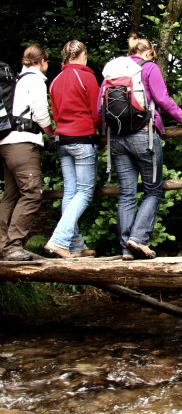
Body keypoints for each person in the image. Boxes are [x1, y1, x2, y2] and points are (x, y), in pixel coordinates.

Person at [102, 34, 182, 261]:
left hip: (116, 138)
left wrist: (104, 136)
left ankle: (126, 249)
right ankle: (138, 238)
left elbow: (101, 107)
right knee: (153, 191)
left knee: (126, 194)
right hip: (144, 135)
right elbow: (163, 99)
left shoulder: (113, 70)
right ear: (148, 52)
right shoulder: (149, 68)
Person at [44, 40, 101, 259]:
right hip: (82, 139)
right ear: (82, 55)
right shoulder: (86, 76)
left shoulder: (55, 81)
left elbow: (56, 114)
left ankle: (75, 245)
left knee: (70, 192)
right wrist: (100, 129)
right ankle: (58, 240)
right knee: (85, 192)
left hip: (63, 140)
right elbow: (95, 112)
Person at [0, 44, 54, 261]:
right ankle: (13, 246)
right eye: (47, 61)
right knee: (32, 193)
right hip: (23, 145)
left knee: (10, 196)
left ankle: (2, 244)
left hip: (6, 143)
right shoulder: (34, 80)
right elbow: (40, 113)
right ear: (41, 61)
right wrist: (51, 133)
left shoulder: (17, 81)